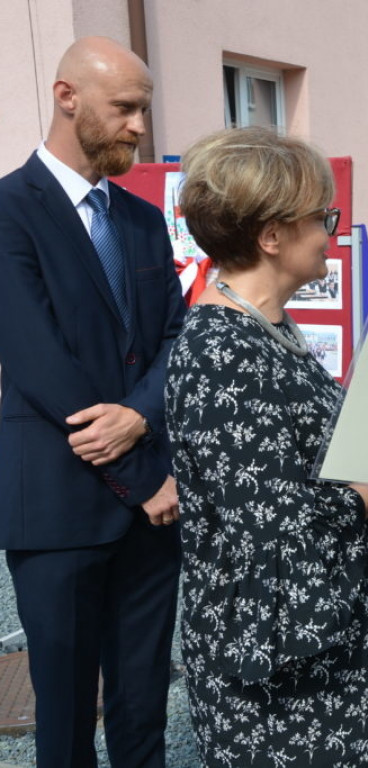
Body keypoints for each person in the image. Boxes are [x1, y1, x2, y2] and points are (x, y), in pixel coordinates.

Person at [168, 126, 368, 768]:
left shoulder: (266, 326)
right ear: (272, 236)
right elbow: (270, 521)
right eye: (323, 216)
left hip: (317, 637)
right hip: (278, 670)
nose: (332, 231)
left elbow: (300, 468)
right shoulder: (219, 350)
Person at [0, 37, 185, 767]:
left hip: (150, 519)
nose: (141, 126)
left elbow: (177, 336)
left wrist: (141, 415)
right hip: (59, 506)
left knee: (143, 707)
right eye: (127, 108)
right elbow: (38, 361)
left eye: (145, 108)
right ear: (67, 97)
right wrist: (146, 479)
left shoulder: (140, 220)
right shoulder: (9, 211)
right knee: (67, 714)